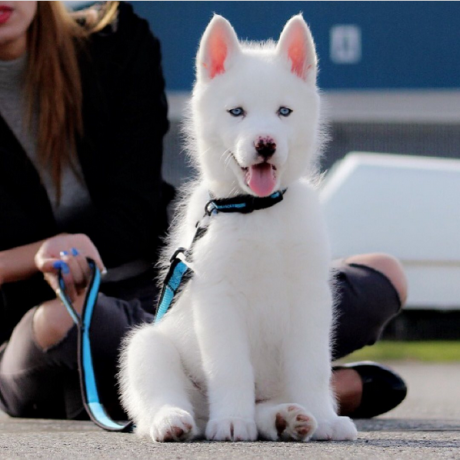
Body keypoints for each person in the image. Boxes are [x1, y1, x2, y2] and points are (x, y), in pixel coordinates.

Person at [0, 1, 407, 423]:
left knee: (383, 276)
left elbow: (135, 200)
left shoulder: (115, 39)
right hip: (57, 305)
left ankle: (248, 391)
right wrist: (37, 255)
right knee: (63, 325)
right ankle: (276, 399)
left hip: (168, 287)